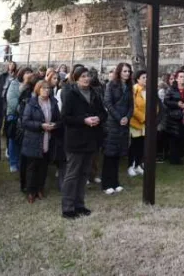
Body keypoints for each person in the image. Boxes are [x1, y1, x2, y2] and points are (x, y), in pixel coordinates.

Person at [61, 66, 107, 218]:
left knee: (84, 173)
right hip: (75, 139)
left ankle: (79, 205)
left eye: (87, 76)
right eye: (82, 76)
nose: (86, 79)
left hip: (91, 138)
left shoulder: (95, 93)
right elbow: (65, 117)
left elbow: (103, 112)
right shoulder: (70, 93)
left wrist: (98, 118)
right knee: (72, 173)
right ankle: (68, 207)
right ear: (76, 78)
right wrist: (83, 120)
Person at [22, 80, 61, 203]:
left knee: (44, 167)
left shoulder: (53, 102)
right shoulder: (31, 103)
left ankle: (40, 188)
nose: (46, 90)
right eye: (43, 88)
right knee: (32, 167)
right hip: (34, 139)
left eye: (48, 88)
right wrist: (40, 125)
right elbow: (25, 122)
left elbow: (59, 120)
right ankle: (30, 191)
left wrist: (54, 125)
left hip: (48, 139)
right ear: (38, 89)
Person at [102, 62, 134, 194]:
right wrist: (119, 117)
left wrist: (127, 117)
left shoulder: (129, 86)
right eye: (125, 71)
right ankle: (106, 184)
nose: (127, 73)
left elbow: (131, 105)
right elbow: (108, 103)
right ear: (119, 72)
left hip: (124, 124)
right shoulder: (111, 85)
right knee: (109, 154)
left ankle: (115, 182)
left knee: (118, 154)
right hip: (113, 124)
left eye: (128, 71)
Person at [164, 69, 184, 165]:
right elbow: (166, 101)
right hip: (173, 117)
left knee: (183, 136)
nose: (183, 78)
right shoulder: (171, 89)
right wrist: (177, 104)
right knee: (174, 138)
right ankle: (173, 159)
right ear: (177, 79)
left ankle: (180, 157)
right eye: (180, 77)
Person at [6, 67, 33, 174]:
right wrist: (23, 111)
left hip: (27, 116)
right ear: (21, 74)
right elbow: (12, 101)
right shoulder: (14, 84)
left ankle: (23, 162)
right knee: (14, 139)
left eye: (30, 72)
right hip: (14, 115)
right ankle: (13, 162)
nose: (29, 74)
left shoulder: (32, 85)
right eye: (26, 73)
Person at [128, 70, 147, 177]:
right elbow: (133, 107)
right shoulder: (134, 90)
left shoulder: (148, 90)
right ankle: (130, 165)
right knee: (134, 144)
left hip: (146, 122)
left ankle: (138, 165)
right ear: (137, 79)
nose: (146, 79)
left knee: (142, 144)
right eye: (143, 77)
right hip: (136, 122)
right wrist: (143, 118)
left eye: (147, 77)